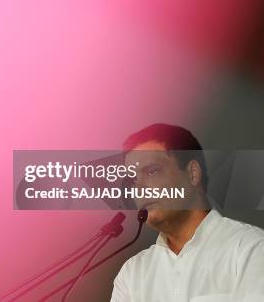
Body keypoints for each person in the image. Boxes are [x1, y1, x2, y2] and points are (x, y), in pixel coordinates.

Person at [111, 123, 264, 302]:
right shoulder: (131, 274)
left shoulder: (250, 249)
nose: (139, 188)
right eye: (132, 180)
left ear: (192, 173)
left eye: (152, 172)